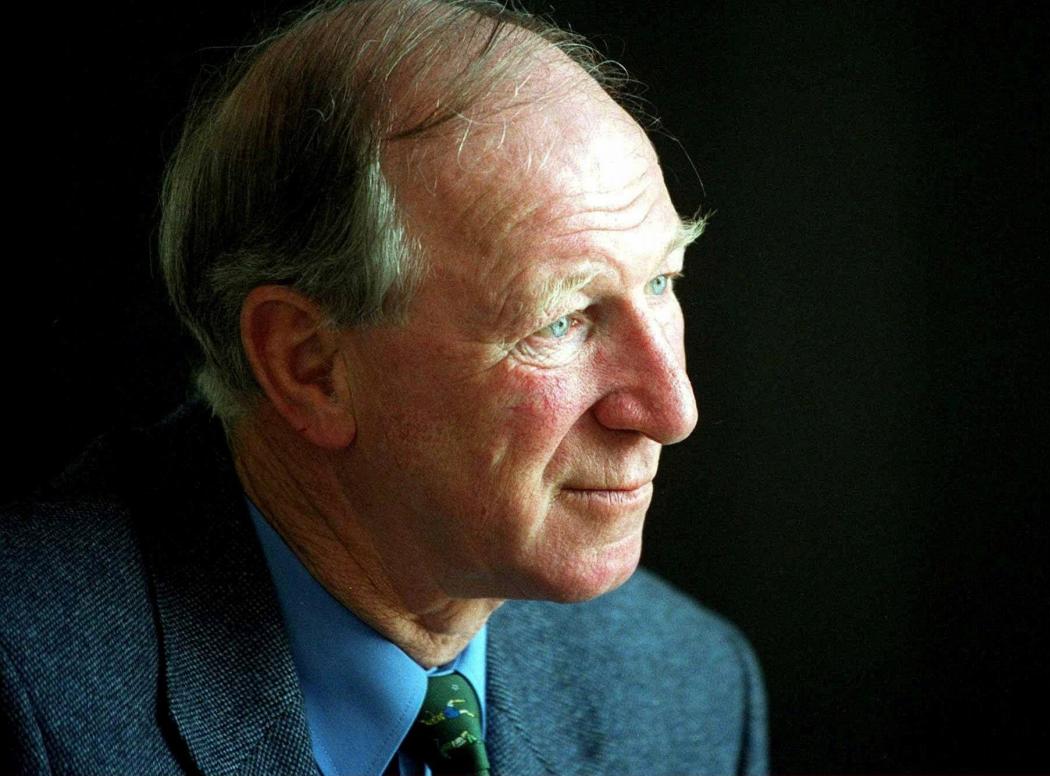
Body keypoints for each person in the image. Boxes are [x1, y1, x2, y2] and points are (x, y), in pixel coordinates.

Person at [1, 1, 767, 774]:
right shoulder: (28, 691)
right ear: (310, 367)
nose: (672, 411)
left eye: (663, 280)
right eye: (561, 321)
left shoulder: (692, 691)